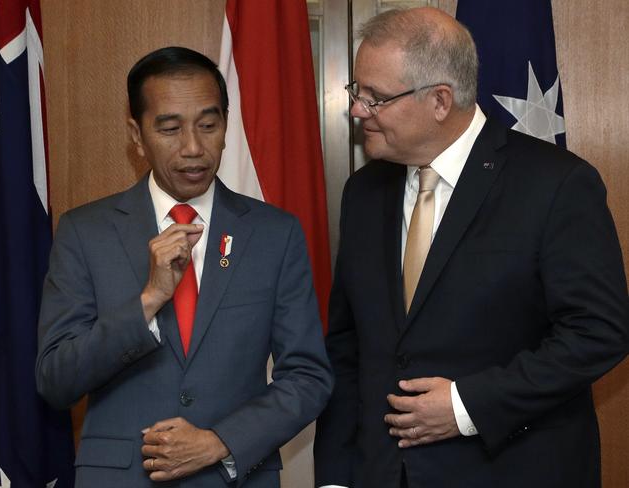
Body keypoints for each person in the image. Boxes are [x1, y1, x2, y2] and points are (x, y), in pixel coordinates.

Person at [314, 7, 628, 488]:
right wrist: (334, 479)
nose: (357, 110)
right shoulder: (363, 191)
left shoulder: (556, 184)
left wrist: (466, 406)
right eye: (358, 93)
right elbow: (347, 348)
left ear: (440, 100)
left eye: (375, 98)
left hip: (509, 470)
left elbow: (599, 332)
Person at [36, 46, 333, 488]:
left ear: (226, 127)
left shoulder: (275, 234)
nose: (194, 148)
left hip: (235, 477)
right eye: (170, 128)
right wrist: (149, 300)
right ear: (137, 136)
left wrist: (220, 441)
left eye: (208, 125)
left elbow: (308, 376)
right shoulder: (85, 232)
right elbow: (56, 379)